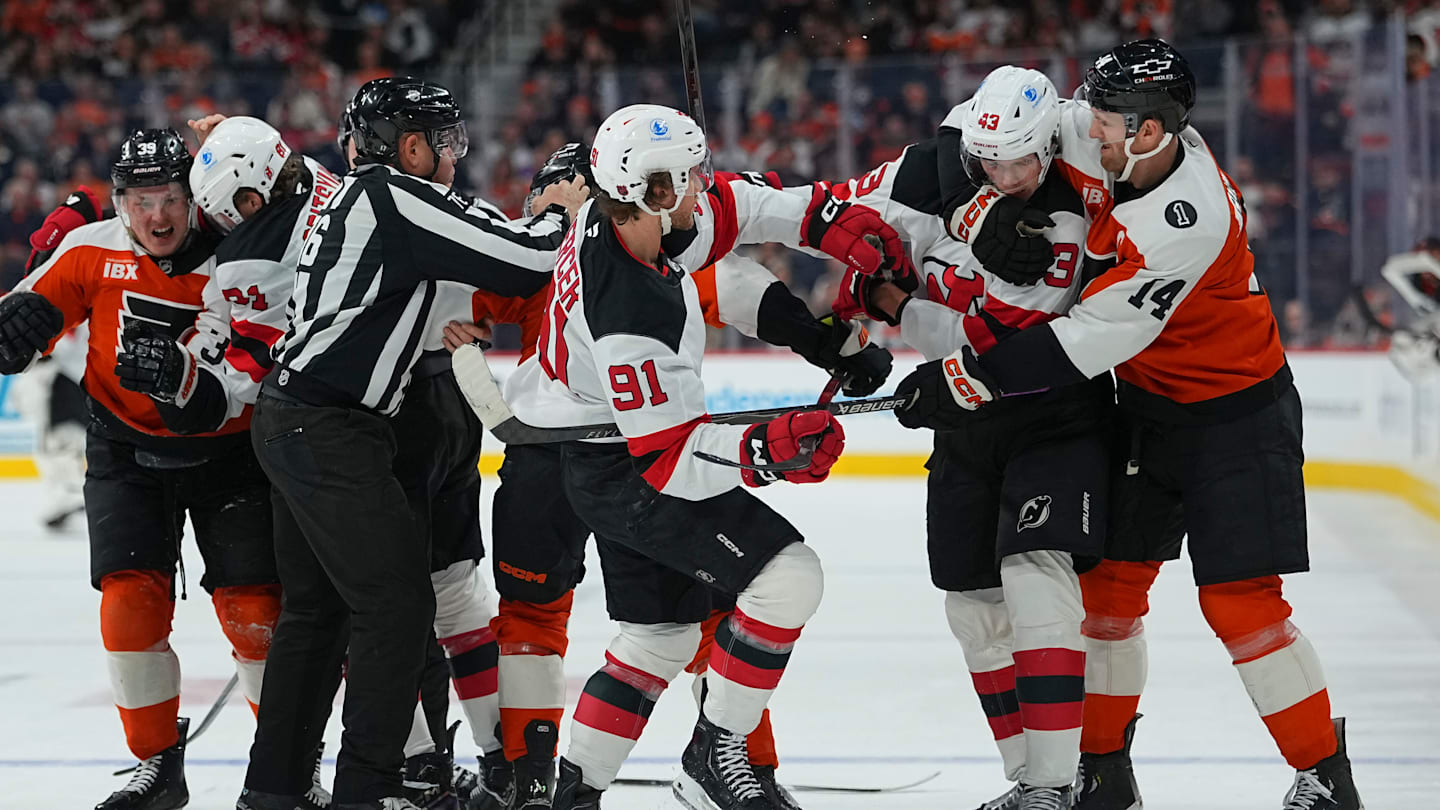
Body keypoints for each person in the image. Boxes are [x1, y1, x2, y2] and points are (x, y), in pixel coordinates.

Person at [908, 39, 1363, 810]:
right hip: (1147, 410)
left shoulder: (1184, 221)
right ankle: (1103, 779)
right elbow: (957, 135)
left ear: (1149, 133)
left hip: (1236, 418)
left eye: (1107, 119)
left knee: (1241, 603)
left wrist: (967, 378)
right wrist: (972, 208)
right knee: (1108, 599)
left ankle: (1325, 775)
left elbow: (1087, 339)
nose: (1088, 124)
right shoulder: (1108, 131)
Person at [455, 102, 877, 810]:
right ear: (651, 191)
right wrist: (769, 449)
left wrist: (820, 219)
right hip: (624, 469)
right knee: (787, 580)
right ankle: (721, 752)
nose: (700, 188)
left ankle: (573, 791)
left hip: (595, 450)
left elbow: (730, 211)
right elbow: (670, 460)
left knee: (660, 637)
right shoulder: (630, 311)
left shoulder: (623, 220)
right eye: (687, 178)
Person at [240, 77, 568, 810]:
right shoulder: (394, 196)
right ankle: (371, 788)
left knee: (317, 615)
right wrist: (559, 217)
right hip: (327, 428)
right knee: (396, 608)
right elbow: (525, 262)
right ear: (412, 146)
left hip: (297, 417)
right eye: (445, 142)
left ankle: (274, 792)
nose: (455, 154)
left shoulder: (369, 197)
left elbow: (470, 241)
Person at [821, 65, 1108, 809]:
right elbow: (851, 228)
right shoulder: (941, 185)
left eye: (1020, 160)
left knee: (1035, 576)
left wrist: (900, 306)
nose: (1005, 175)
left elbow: (991, 335)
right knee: (971, 604)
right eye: (991, 161)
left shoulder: (1064, 226)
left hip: (1052, 409)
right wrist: (858, 296)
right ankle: (1027, 782)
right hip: (963, 420)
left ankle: (1052, 785)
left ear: (1049, 149)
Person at [0, 129, 283, 810]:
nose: (156, 217)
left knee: (256, 615)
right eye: (139, 200)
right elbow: (28, 312)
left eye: (171, 199)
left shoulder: (244, 255)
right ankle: (157, 765)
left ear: (197, 197)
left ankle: (288, 765)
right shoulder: (91, 247)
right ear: (120, 202)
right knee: (129, 603)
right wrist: (16, 325)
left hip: (232, 455)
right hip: (122, 451)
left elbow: (265, 358)